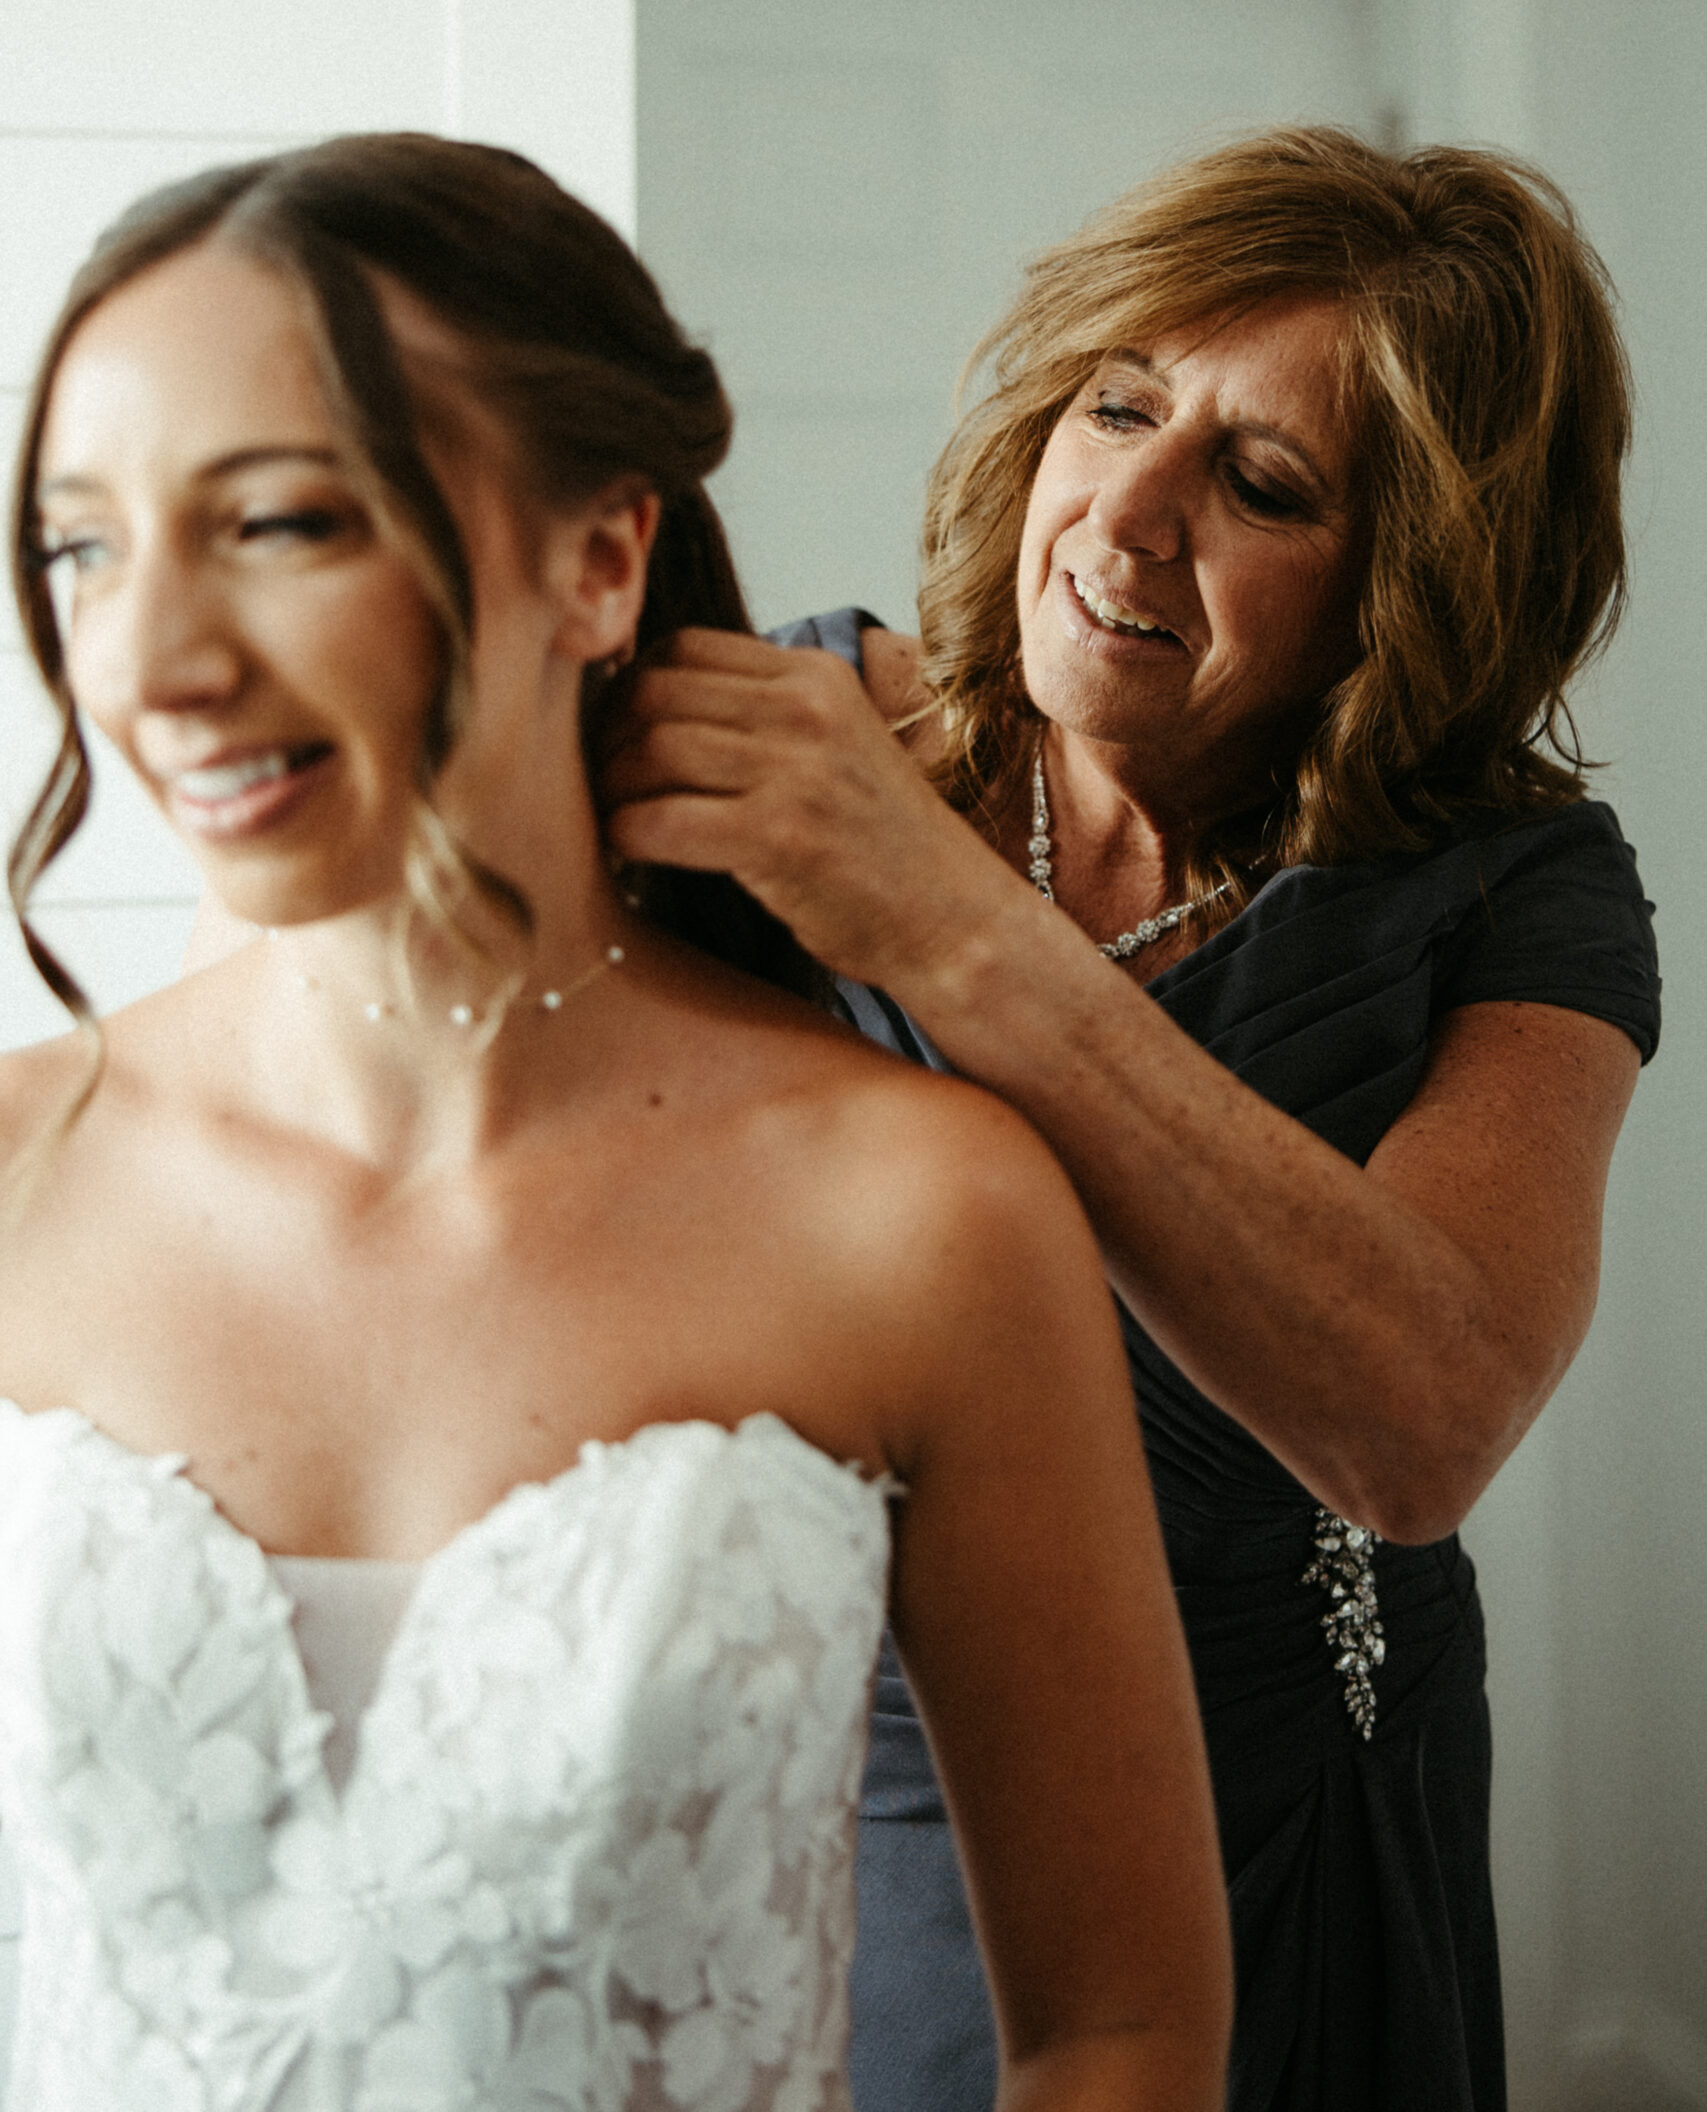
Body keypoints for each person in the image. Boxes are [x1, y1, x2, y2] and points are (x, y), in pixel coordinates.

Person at [0, 135, 1233, 2111]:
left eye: (286, 522)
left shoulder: (914, 1211)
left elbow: (1118, 2027)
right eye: (82, 546)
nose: (149, 662)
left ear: (597, 557)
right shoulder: (13, 1173)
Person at [602, 126, 1662, 2112]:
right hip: (823, 1773)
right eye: (1117, 404)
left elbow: (1421, 1416)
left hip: (1275, 1803)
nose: (1128, 508)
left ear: (1405, 585)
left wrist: (951, 936)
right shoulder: (792, 747)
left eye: (1259, 482)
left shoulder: (1512, 887)